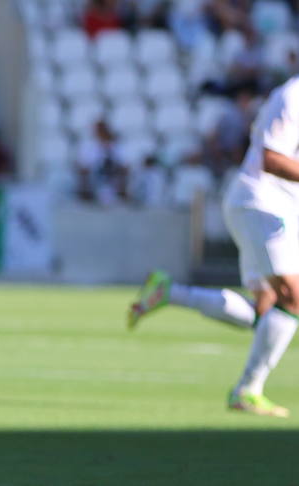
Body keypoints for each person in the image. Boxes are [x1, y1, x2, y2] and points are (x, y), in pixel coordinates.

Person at [130, 75, 299, 418]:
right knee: (293, 298)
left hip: (275, 206)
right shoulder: (293, 96)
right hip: (263, 204)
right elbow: (272, 158)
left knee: (264, 311)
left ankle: (170, 292)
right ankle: (247, 390)